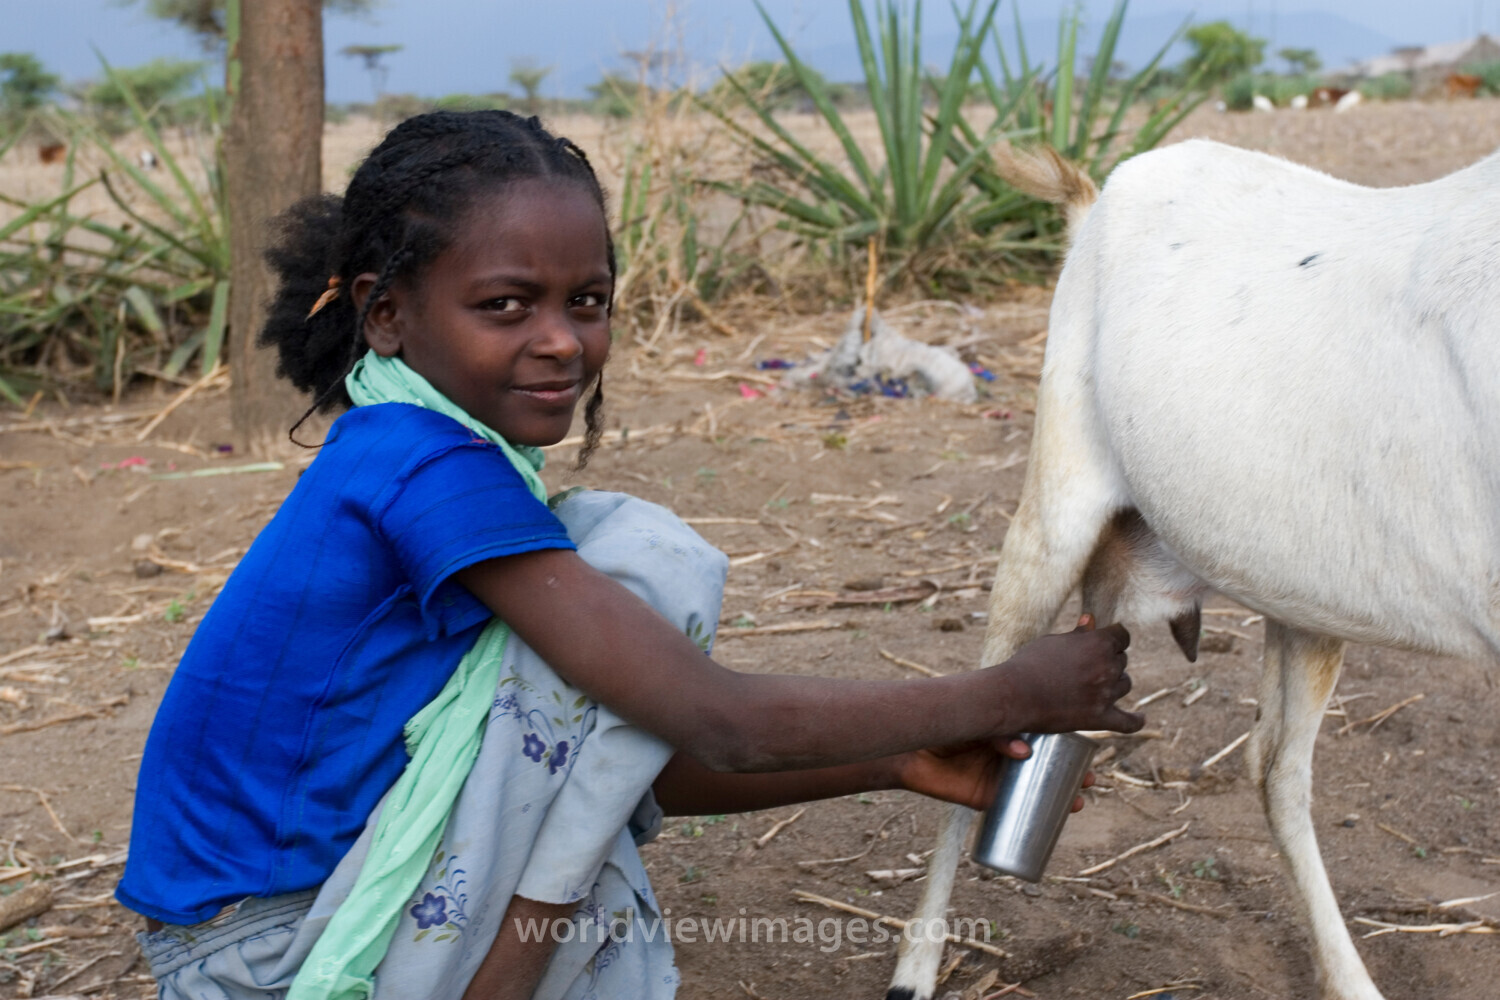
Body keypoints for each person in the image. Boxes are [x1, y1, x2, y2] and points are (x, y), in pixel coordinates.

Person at [116, 110, 1142, 1000]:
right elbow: (720, 721)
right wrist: (1010, 692)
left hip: (275, 919)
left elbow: (613, 757)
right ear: (385, 314)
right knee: (638, 558)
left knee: (610, 580)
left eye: (587, 301)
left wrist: (897, 761)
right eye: (506, 304)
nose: (562, 340)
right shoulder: (417, 466)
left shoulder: (421, 450)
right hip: (266, 951)